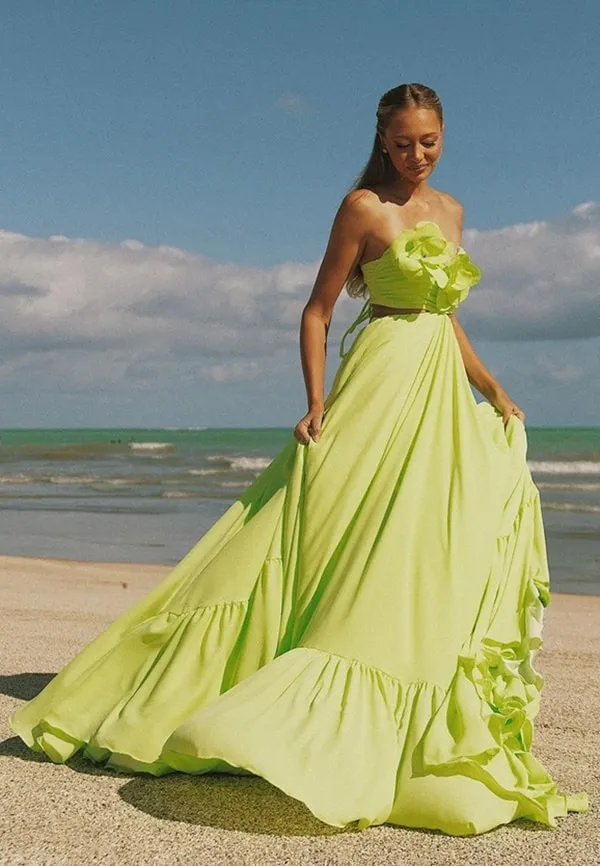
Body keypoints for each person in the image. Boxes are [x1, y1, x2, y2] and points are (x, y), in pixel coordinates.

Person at [9, 82, 589, 836]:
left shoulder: (451, 211)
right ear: (383, 140)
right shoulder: (362, 210)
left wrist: (492, 386)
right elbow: (318, 311)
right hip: (379, 377)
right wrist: (315, 402)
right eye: (405, 143)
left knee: (429, 537)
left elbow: (447, 319)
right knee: (316, 525)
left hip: (439, 389)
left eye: (430, 142)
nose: (418, 156)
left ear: (444, 137)